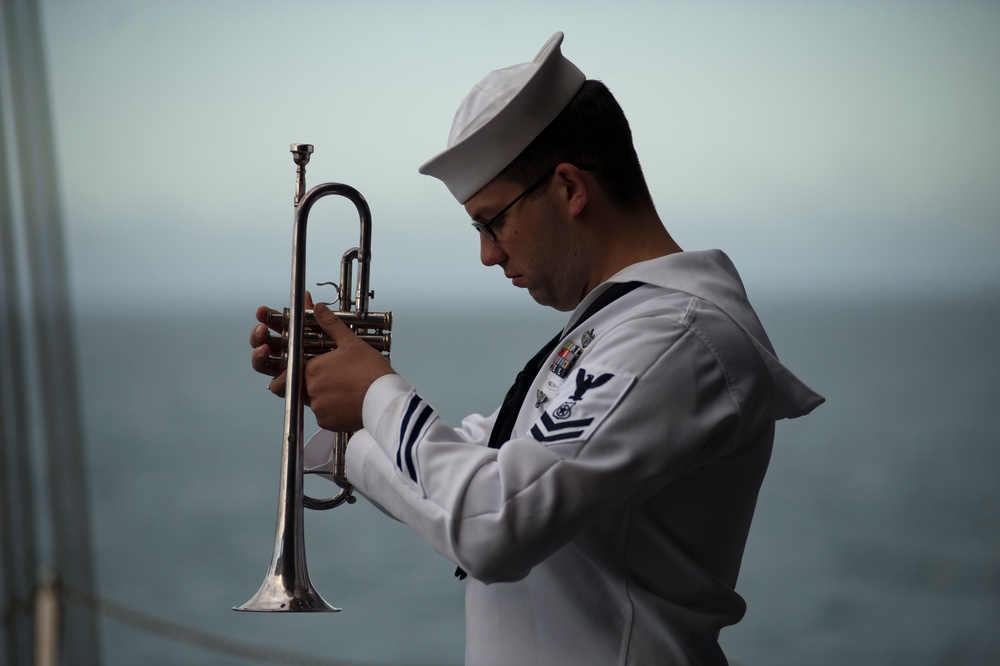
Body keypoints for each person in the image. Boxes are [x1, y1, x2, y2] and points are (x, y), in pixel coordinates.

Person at [250, 32, 824, 666]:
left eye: (491, 221)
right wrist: (346, 415)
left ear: (570, 189)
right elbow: (479, 479)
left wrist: (376, 394)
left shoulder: (676, 338)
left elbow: (492, 522)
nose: (488, 253)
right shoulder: (624, 324)